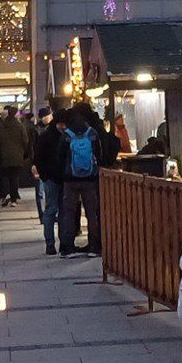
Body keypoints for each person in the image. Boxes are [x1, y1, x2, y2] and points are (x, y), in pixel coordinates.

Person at [57, 104, 118, 256]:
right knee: (91, 214)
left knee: (68, 212)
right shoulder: (92, 132)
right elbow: (99, 154)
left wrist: (64, 172)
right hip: (90, 179)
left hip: (70, 180)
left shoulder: (67, 134)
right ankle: (94, 246)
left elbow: (60, 156)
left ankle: (68, 247)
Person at [32, 106, 65, 256]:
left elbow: (38, 157)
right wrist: (45, 176)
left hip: (57, 178)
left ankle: (57, 242)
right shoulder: (54, 136)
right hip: (55, 178)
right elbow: (38, 157)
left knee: (55, 210)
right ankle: (53, 243)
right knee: (54, 210)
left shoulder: (47, 135)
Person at [0, 106, 32, 206]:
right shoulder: (19, 126)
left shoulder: (2, 125)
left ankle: (5, 194)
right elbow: (25, 140)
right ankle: (13, 199)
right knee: (14, 177)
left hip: (4, 156)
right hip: (17, 156)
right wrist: (24, 152)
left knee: (5, 176)